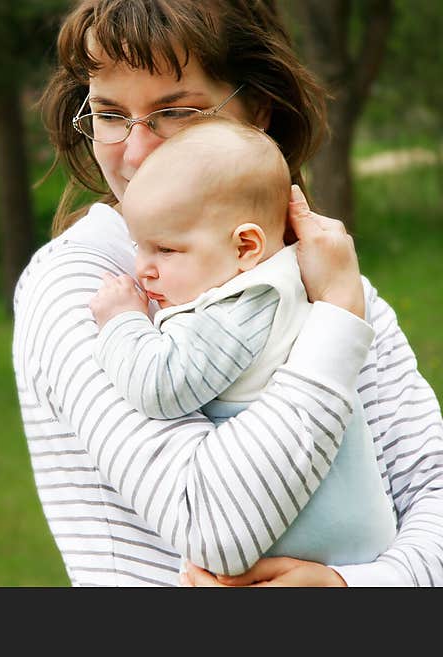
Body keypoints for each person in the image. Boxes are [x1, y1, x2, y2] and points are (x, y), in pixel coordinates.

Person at [13, 0, 443, 587]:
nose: (137, 153)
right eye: (112, 115)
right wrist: (338, 321)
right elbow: (214, 523)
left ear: (257, 109)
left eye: (177, 111)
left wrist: (358, 590)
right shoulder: (87, 287)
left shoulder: (326, 277)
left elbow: (431, 487)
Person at [88, 115, 396, 568]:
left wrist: (121, 321)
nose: (143, 269)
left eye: (166, 250)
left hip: (318, 534)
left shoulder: (243, 306)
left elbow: (161, 384)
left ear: (245, 247)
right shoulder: (290, 277)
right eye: (139, 247)